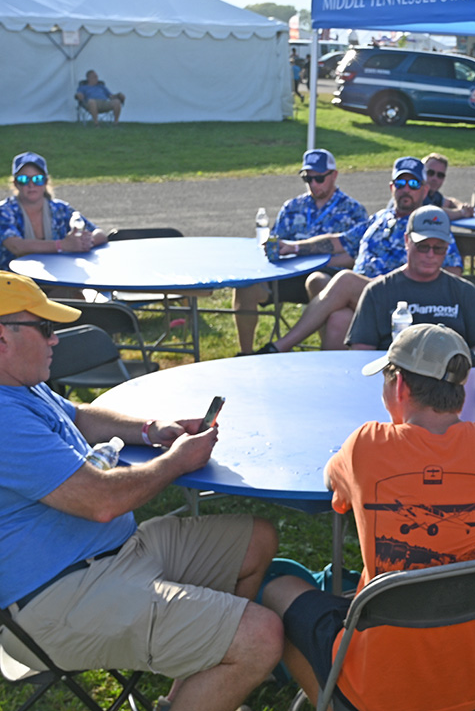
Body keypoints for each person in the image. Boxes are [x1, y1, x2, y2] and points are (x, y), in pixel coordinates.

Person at [0, 271, 282, 711]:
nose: (55, 340)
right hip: (55, 597)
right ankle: (221, 660)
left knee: (257, 540)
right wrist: (175, 462)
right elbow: (101, 501)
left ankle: (183, 698)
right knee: (260, 638)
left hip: (114, 554)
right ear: (2, 338)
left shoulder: (19, 384)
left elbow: (81, 417)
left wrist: (153, 430)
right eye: (45, 328)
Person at [261, 324, 475, 711]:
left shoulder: (367, 443)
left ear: (399, 387)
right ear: (460, 393)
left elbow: (334, 482)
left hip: (379, 684)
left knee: (277, 586)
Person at [256, 157, 462, 353]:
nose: (406, 190)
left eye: (414, 184)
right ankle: (334, 376)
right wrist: (293, 247)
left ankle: (279, 347)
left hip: (400, 302)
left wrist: (408, 279)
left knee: (345, 280)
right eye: (400, 183)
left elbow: (454, 271)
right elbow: (339, 241)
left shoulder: (429, 225)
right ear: (392, 188)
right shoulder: (380, 218)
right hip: (364, 296)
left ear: (425, 190)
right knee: (332, 306)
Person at [232, 148, 369, 354]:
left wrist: (314, 258)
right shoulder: (292, 207)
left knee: (317, 280)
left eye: (319, 178)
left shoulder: (353, 210)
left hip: (326, 277)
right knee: (246, 286)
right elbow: (275, 243)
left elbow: (356, 258)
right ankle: (246, 355)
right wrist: (272, 248)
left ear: (334, 175)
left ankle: (328, 353)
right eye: (308, 178)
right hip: (287, 275)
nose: (313, 184)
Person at [346, 206, 475, 356]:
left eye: (438, 248)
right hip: (397, 371)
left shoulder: (464, 291)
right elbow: (362, 352)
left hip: (452, 373)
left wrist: (462, 366)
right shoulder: (378, 291)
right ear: (406, 241)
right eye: (423, 247)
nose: (430, 255)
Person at [1, 152, 107, 271]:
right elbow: (16, 246)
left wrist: (85, 242)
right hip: (14, 284)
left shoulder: (60, 208)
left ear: (46, 182)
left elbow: (100, 234)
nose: (31, 185)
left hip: (57, 278)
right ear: (15, 183)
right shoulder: (4, 211)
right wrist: (62, 245)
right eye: (23, 179)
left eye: (38, 179)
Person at [421, 152, 474, 220]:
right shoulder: (417, 192)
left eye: (440, 175)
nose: (435, 178)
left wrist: (462, 206)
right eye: (430, 173)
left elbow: (450, 201)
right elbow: (435, 213)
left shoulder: (433, 194)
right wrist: (462, 212)